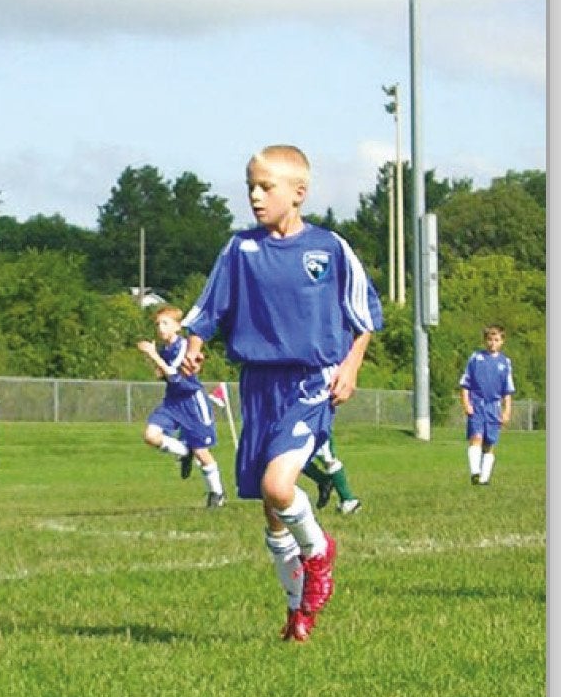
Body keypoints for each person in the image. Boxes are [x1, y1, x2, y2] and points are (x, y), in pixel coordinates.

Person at [180, 144, 382, 642]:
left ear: (298, 192)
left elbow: (363, 317)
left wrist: (351, 367)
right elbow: (209, 308)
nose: (255, 196)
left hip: (311, 380)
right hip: (258, 386)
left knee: (278, 485)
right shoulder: (240, 249)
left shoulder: (329, 248)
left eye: (265, 187)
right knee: (272, 516)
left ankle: (319, 551)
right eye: (250, 186)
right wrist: (194, 347)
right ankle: (298, 614)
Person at [136, 306, 227, 508]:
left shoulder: (184, 346)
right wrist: (155, 361)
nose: (160, 328)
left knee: (201, 451)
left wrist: (154, 356)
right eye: (157, 324)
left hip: (192, 402)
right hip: (172, 402)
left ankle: (217, 493)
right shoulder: (164, 350)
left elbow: (174, 376)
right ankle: (184, 452)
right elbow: (163, 375)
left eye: (165, 323)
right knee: (151, 435)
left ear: (177, 326)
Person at [459, 325, 515, 485]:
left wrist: (507, 411)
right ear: (485, 341)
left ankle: (484, 478)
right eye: (489, 339)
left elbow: (507, 390)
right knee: (476, 437)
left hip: (493, 407)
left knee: (489, 443)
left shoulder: (505, 362)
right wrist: (466, 403)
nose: (492, 343)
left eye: (496, 340)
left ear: (502, 342)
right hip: (477, 405)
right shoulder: (476, 358)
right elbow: (465, 384)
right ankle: (475, 472)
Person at [302, 440, 361, 516]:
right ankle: (324, 482)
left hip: (318, 433)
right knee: (294, 458)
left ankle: (349, 500)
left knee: (329, 461)